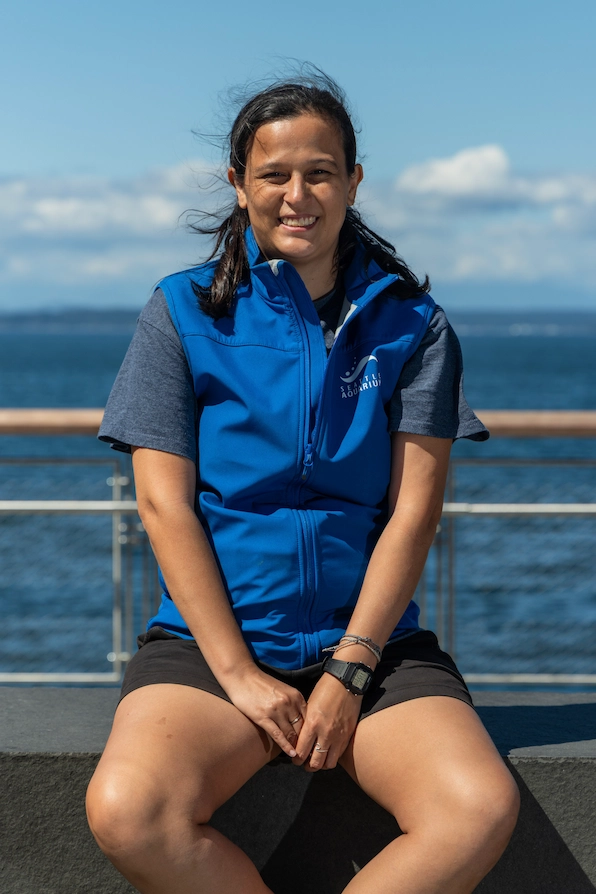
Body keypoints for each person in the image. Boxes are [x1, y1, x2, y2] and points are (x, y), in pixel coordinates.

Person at [86, 70, 519, 894]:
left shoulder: (413, 325)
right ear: (238, 183)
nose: (297, 195)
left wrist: (350, 669)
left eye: (319, 173)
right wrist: (241, 676)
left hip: (373, 649)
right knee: (129, 812)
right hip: (214, 646)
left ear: (353, 181)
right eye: (274, 174)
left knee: (476, 808)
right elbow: (163, 505)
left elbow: (413, 513)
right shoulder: (181, 311)